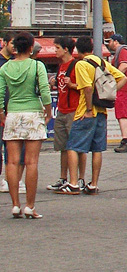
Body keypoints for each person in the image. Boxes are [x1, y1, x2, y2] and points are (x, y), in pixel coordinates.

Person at [0, 32, 53, 218]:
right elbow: (45, 91)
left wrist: (2, 113)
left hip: (13, 113)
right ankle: (30, 205)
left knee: (12, 162)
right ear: (31, 48)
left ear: (14, 47)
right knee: (31, 162)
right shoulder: (37, 65)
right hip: (32, 113)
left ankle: (15, 205)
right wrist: (48, 111)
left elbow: (0, 94)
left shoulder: (5, 68)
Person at [65, 36, 127, 194]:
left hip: (86, 111)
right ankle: (93, 184)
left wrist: (87, 109)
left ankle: (73, 183)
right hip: (102, 111)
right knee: (97, 149)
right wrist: (109, 93)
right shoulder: (101, 62)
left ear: (77, 50)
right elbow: (123, 78)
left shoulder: (81, 64)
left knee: (72, 146)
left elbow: (87, 88)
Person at [47, 36, 80, 193]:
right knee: (62, 146)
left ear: (66, 49)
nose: (55, 51)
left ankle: (77, 179)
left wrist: (71, 84)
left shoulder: (76, 65)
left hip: (73, 109)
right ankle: (63, 178)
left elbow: (85, 86)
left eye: (57, 48)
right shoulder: (61, 66)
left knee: (74, 145)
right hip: (62, 109)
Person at [104, 34, 127, 153]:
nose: (108, 44)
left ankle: (125, 140)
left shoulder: (122, 51)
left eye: (110, 41)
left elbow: (123, 66)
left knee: (122, 113)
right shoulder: (125, 50)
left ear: (116, 41)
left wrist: (112, 77)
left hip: (123, 86)